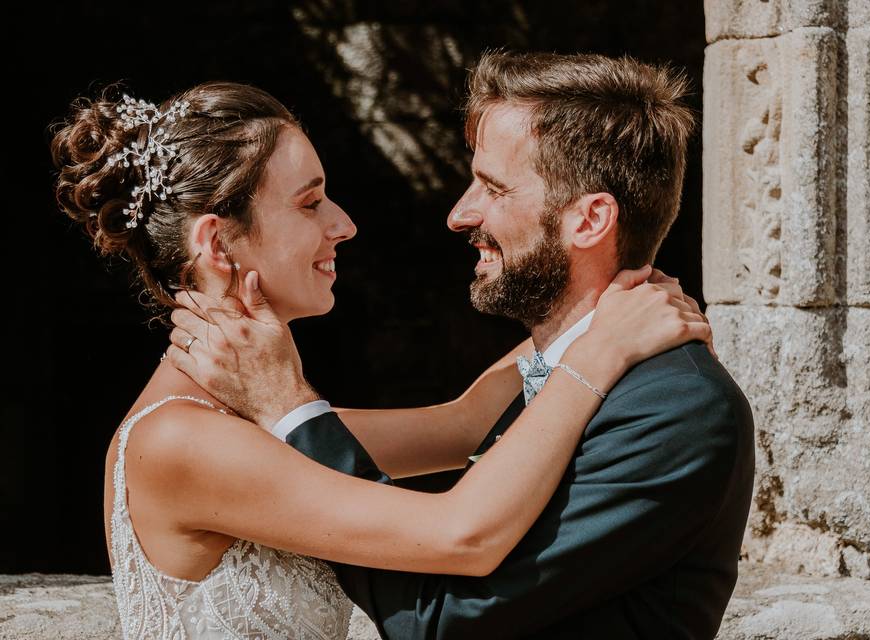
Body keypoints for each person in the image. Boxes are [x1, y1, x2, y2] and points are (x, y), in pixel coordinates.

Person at [51, 80, 711, 640]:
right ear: (218, 243)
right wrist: (601, 352)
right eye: (310, 203)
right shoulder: (180, 442)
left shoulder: (243, 423)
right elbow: (460, 535)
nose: (344, 224)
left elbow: (463, 425)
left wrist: (601, 301)